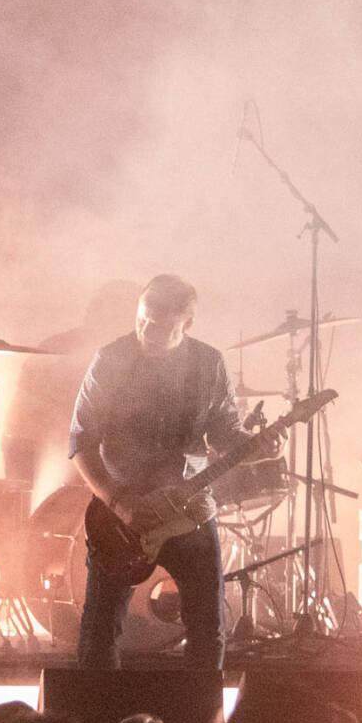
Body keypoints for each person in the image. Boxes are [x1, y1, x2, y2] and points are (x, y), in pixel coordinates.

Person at [68, 274, 278, 668]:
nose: (146, 329)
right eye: (142, 318)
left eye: (160, 324)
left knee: (207, 629)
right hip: (123, 512)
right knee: (99, 631)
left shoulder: (208, 364)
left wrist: (256, 447)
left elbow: (225, 435)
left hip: (190, 509)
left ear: (187, 323)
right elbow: (80, 442)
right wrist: (117, 502)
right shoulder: (111, 359)